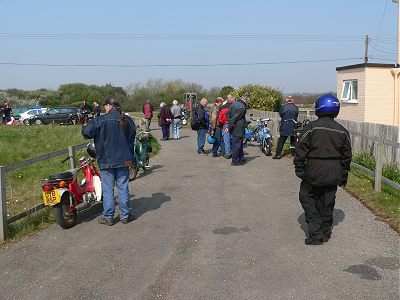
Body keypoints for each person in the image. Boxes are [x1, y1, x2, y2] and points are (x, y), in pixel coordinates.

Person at [294, 94, 352, 245]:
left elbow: (300, 150)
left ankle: (315, 233)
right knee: (327, 202)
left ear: (319, 108)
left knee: (307, 197)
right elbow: (347, 156)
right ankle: (325, 232)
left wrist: (299, 169)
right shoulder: (342, 131)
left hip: (314, 171)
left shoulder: (311, 128)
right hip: (334, 172)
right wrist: (343, 175)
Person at [82, 97, 136, 225]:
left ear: (109, 106)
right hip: (125, 159)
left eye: (105, 106)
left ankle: (108, 217)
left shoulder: (99, 120)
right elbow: (132, 137)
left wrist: (84, 125)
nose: (104, 108)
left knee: (108, 189)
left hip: (106, 160)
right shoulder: (128, 120)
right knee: (123, 187)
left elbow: (87, 133)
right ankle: (125, 216)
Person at [227, 93, 250, 165]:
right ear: (247, 99)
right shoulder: (242, 107)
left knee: (239, 144)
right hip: (238, 128)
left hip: (236, 127)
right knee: (237, 145)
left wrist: (231, 124)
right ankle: (235, 161)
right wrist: (229, 127)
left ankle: (241, 159)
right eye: (249, 100)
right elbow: (235, 118)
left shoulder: (234, 103)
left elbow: (227, 115)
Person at [218, 94, 235, 159]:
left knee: (226, 139)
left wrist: (223, 122)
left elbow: (220, 118)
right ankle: (233, 152)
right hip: (233, 124)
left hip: (226, 124)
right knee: (233, 138)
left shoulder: (222, 107)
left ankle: (228, 153)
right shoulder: (234, 106)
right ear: (232, 99)